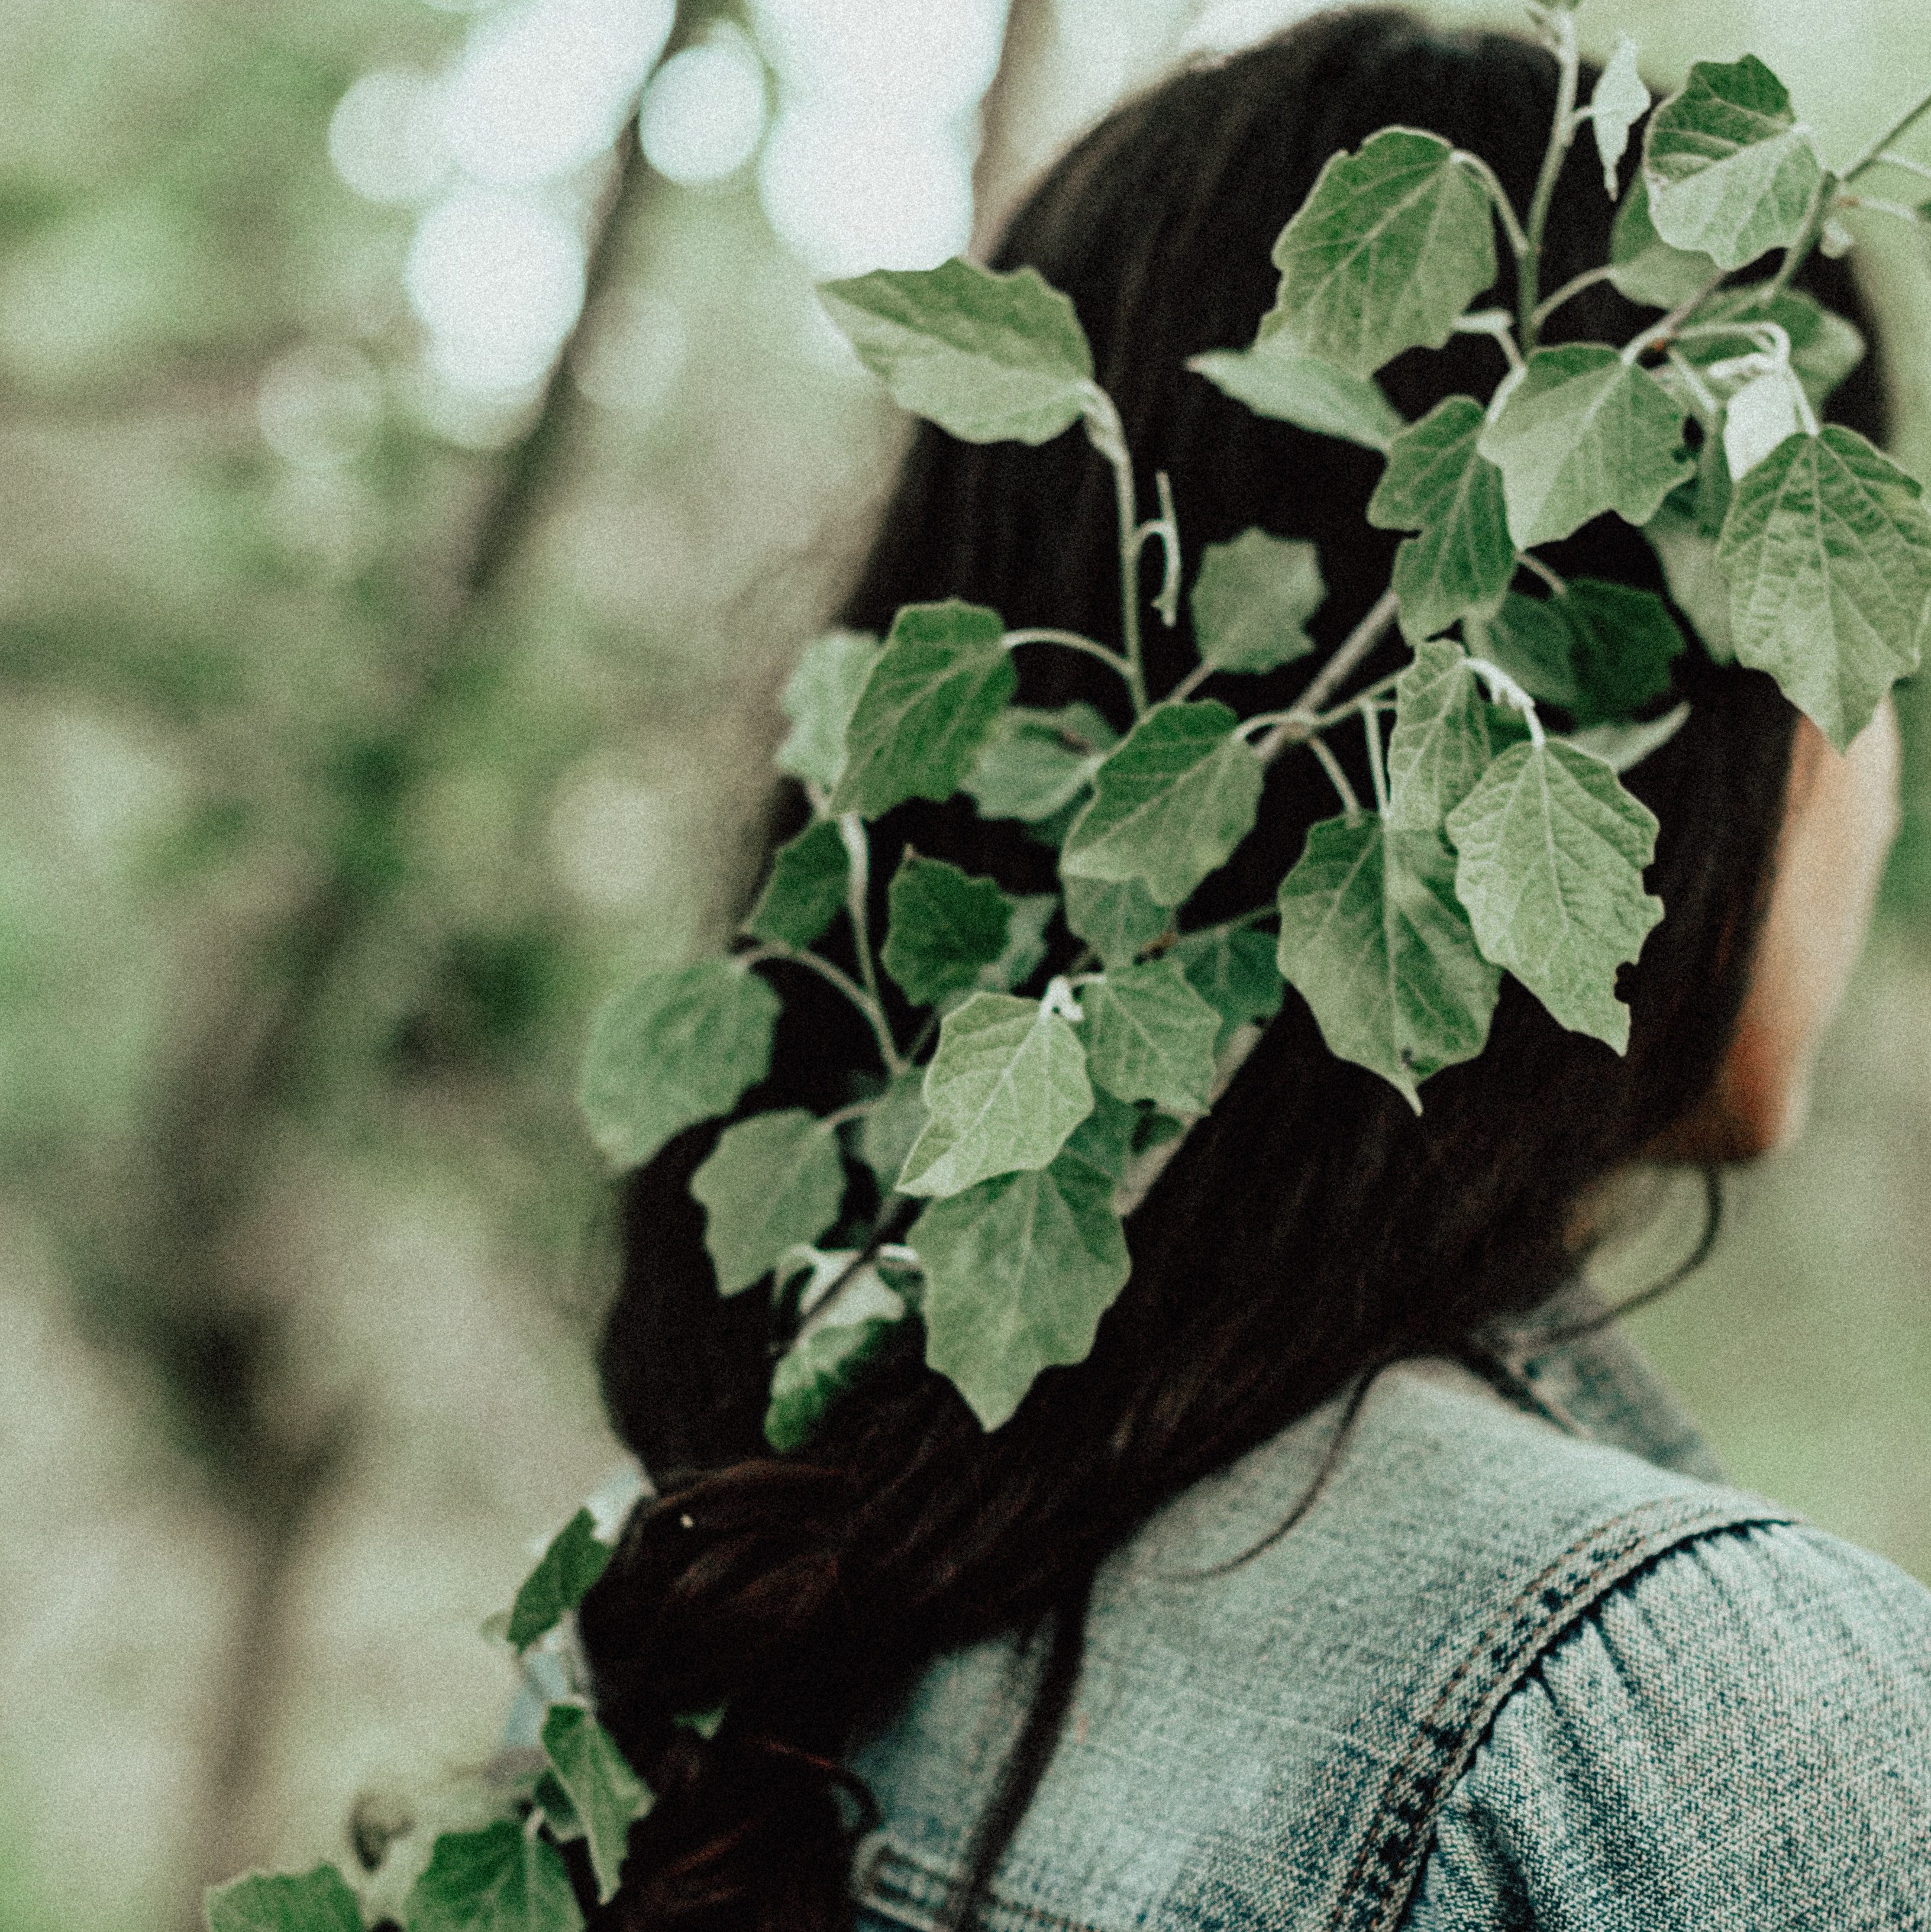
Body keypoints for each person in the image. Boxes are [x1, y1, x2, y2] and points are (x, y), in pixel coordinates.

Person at [577, 10, 1931, 1928]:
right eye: (1838, 621)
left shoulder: (711, 1573)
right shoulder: (1700, 1730)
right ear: (1633, 692)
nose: (1867, 750)